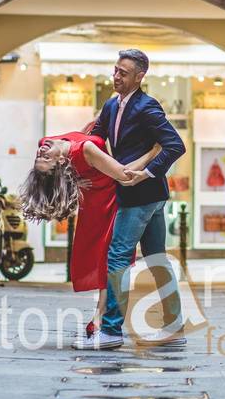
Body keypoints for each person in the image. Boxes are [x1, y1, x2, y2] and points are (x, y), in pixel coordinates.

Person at [73, 49, 187, 350]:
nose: (116, 76)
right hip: (148, 196)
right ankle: (174, 325)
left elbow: (175, 145)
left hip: (142, 196)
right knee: (156, 259)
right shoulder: (111, 105)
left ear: (140, 76)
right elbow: (94, 141)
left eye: (123, 72)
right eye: (115, 70)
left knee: (118, 256)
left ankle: (111, 330)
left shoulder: (148, 107)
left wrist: (147, 171)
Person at [19, 130, 160, 333]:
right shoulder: (85, 151)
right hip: (108, 199)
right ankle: (100, 318)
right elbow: (123, 175)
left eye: (39, 157)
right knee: (107, 257)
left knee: (114, 255)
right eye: (45, 158)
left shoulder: (45, 141)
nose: (41, 151)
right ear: (59, 162)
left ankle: (100, 318)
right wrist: (154, 151)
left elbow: (86, 131)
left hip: (94, 197)